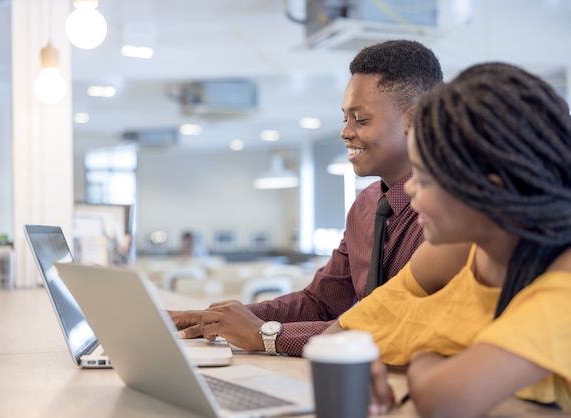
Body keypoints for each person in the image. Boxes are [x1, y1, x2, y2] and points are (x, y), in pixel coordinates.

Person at [169, 39, 443, 356]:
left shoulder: (449, 213)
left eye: (362, 119)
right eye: (345, 118)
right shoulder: (366, 206)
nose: (345, 132)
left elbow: (398, 325)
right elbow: (322, 301)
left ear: (414, 119)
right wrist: (217, 319)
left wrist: (266, 335)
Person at [336, 62, 571, 416]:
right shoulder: (453, 253)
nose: (410, 187)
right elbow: (343, 334)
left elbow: (443, 400)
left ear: (489, 191)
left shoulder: (563, 281)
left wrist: (426, 356)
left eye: (426, 178)